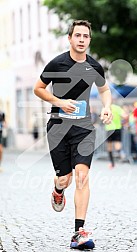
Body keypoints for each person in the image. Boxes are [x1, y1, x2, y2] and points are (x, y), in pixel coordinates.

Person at [34, 20, 112, 250]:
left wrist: (107, 106)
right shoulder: (57, 63)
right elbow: (37, 88)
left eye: (85, 36)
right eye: (77, 35)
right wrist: (59, 102)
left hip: (84, 128)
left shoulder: (94, 66)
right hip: (58, 127)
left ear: (89, 40)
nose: (81, 39)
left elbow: (104, 89)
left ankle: (79, 232)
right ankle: (58, 190)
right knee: (65, 179)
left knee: (82, 176)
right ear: (69, 38)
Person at [105, 103, 127, 168]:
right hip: (117, 128)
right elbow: (125, 116)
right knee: (117, 145)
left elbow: (102, 117)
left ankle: (112, 163)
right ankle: (121, 153)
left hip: (109, 129)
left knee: (109, 147)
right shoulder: (117, 108)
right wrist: (124, 122)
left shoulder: (105, 108)